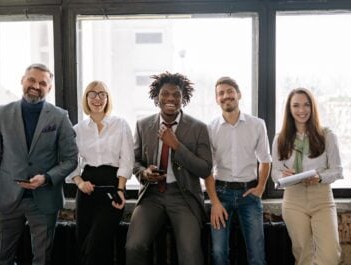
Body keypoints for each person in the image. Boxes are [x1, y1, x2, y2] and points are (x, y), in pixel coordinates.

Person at [0, 63, 78, 265]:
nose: (36, 85)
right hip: (6, 201)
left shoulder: (59, 117)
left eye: (43, 83)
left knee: (42, 259)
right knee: (2, 259)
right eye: (32, 80)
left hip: (43, 201)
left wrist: (46, 178)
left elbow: (71, 159)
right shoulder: (1, 114)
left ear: (49, 88)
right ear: (22, 81)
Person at [125, 72, 212, 265]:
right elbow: (134, 161)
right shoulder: (142, 125)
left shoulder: (199, 128)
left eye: (176, 95)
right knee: (134, 247)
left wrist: (177, 146)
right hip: (152, 196)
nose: (170, 98)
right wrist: (145, 173)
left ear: (184, 99)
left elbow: (205, 169)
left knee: (190, 256)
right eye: (165, 94)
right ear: (157, 98)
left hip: (184, 196)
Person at [204, 76, 271, 265]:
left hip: (249, 195)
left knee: (257, 254)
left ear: (239, 94)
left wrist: (260, 189)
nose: (226, 96)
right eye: (221, 93)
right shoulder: (210, 129)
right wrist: (214, 202)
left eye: (230, 91)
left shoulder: (257, 124)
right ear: (217, 99)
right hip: (221, 195)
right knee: (218, 253)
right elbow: (207, 169)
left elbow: (265, 160)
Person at [66, 80, 134, 265]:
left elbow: (127, 159)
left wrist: (120, 190)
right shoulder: (77, 130)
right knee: (85, 245)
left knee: (95, 244)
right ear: (86, 98)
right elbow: (69, 161)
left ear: (107, 98)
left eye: (102, 94)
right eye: (93, 94)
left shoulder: (120, 124)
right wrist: (80, 183)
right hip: (87, 190)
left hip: (112, 189)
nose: (97, 98)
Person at [271, 88, 342, 265]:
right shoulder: (280, 138)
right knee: (303, 255)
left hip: (322, 198)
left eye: (306, 105)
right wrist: (283, 175)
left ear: (312, 107)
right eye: (296, 105)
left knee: (330, 256)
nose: (301, 110)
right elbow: (275, 172)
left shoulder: (327, 135)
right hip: (294, 199)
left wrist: (319, 177)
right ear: (289, 109)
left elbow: (337, 170)